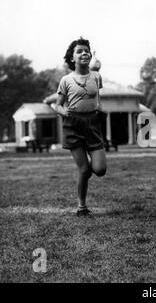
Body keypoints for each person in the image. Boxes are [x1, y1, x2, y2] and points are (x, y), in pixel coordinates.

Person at [53, 38, 107, 216]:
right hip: (73, 124)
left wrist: (99, 109)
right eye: (79, 51)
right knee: (84, 169)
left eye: (87, 50)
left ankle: (87, 166)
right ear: (72, 58)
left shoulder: (96, 77)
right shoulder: (66, 80)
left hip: (92, 124)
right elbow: (57, 105)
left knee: (99, 170)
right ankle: (81, 206)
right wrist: (64, 112)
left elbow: (96, 96)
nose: (84, 53)